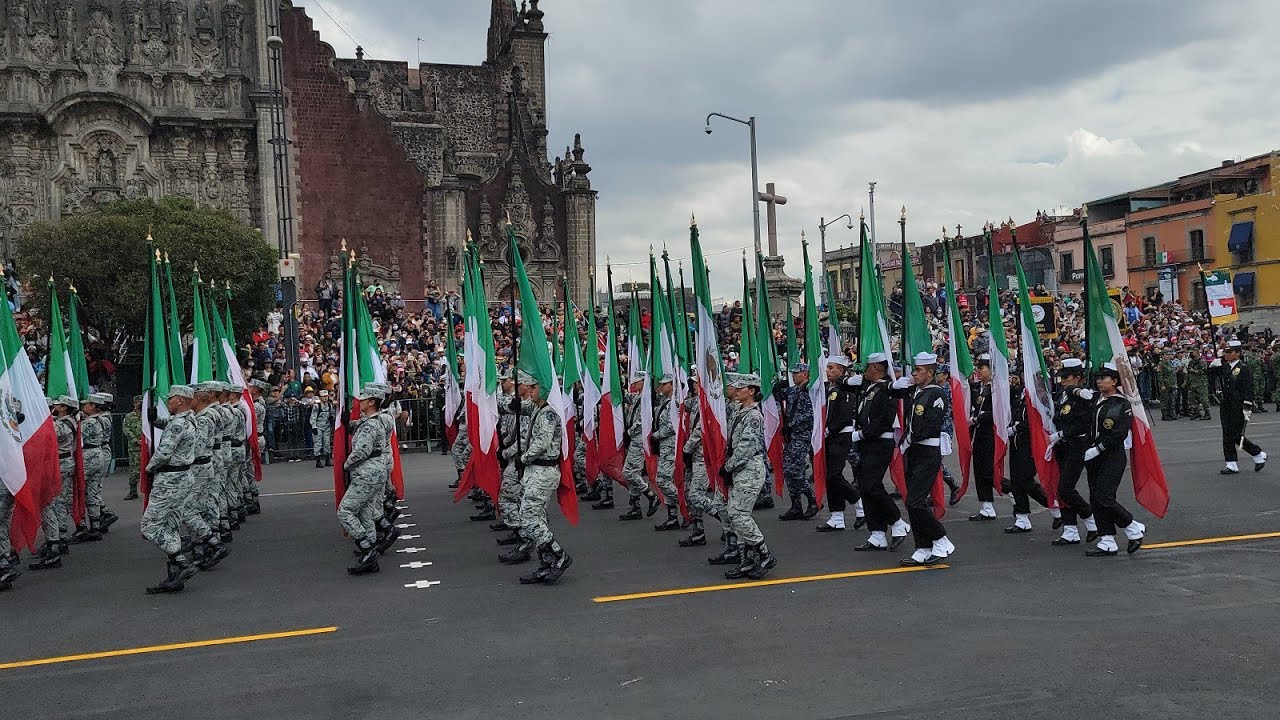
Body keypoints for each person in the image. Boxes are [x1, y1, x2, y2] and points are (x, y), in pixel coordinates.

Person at [514, 370, 574, 585]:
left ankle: (559, 555)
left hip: (543, 471)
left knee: (529, 519)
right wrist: (511, 402)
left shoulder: (548, 413)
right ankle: (546, 563)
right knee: (535, 518)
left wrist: (524, 458)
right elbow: (518, 407)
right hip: (536, 471)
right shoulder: (538, 408)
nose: (529, 391)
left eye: (534, 387)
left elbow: (542, 442)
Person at [141, 385, 202, 594]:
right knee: (171, 524)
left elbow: (164, 452)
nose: (168, 402)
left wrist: (149, 467)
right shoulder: (188, 418)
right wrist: (155, 419)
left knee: (149, 527)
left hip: (170, 480)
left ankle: (182, 563)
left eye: (171, 399)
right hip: (183, 477)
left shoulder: (178, 423)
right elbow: (170, 425)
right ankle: (175, 574)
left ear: (181, 400)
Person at [895, 353, 954, 566]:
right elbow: (895, 396)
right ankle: (923, 546)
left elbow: (931, 424)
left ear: (930, 372)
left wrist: (910, 438)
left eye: (918, 370)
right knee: (912, 502)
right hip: (914, 451)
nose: (914, 373)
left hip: (927, 451)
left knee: (916, 500)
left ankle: (941, 538)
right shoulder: (917, 392)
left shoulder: (936, 394)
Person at [847, 353, 910, 551]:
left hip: (880, 442)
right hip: (868, 443)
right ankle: (877, 533)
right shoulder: (872, 387)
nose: (865, 370)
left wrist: (862, 434)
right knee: (865, 487)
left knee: (871, 485)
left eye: (867, 366)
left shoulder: (888, 389)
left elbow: (884, 420)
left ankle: (897, 522)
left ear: (875, 368)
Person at [717, 373, 777, 579]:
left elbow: (746, 448)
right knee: (735, 515)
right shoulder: (739, 410)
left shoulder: (753, 416)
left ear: (751, 391)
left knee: (738, 514)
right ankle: (747, 561)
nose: (736, 390)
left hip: (749, 470)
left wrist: (728, 467)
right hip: (739, 470)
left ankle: (765, 554)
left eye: (740, 388)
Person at [1084, 362, 1146, 556]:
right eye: (1098, 378)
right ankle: (1107, 539)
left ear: (1114, 381)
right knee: (1095, 499)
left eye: (1104, 378)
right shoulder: (1096, 399)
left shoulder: (1121, 403)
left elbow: (1119, 433)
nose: (1099, 381)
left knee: (1105, 497)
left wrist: (1099, 448)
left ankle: (1132, 527)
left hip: (1111, 455)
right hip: (1092, 455)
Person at [338, 385, 390, 575]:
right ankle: (370, 552)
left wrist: (346, 464)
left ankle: (367, 549)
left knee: (345, 511)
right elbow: (357, 426)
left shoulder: (370, 424)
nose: (359, 402)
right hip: (375, 471)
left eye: (364, 399)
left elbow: (362, 451)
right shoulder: (371, 421)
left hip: (367, 472)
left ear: (372, 402)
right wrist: (346, 422)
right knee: (366, 512)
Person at [1048, 358, 1098, 546]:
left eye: (1067, 377)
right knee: (1060, 487)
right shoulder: (1062, 395)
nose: (1063, 381)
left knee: (1066, 488)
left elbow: (1083, 423)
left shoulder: (1084, 396)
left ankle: (1090, 517)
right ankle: (1070, 529)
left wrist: (1061, 433)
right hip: (1061, 446)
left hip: (1077, 445)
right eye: (1061, 377)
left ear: (1078, 377)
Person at [29, 396, 78, 571]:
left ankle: (55, 544)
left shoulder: (59, 425)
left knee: (51, 504)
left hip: (58, 464)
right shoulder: (61, 422)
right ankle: (58, 539)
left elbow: (41, 439)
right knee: (56, 502)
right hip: (60, 463)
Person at [815, 356, 864, 531]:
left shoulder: (846, 388)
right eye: (827, 368)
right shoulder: (829, 387)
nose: (827, 371)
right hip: (829, 435)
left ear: (842, 370)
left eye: (831, 368)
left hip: (841, 435)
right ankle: (837, 516)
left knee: (834, 475)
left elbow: (844, 416)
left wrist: (830, 429)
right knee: (830, 476)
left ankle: (859, 502)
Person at [1003, 369, 1053, 534]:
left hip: (1030, 444)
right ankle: (1022, 518)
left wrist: (1016, 428)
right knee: (1016, 481)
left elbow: (1037, 420)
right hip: (1016, 443)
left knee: (1025, 479)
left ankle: (1053, 505)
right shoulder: (1021, 394)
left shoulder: (1041, 398)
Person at [497, 370, 537, 563]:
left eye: (519, 383)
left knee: (509, 498)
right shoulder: (521, 405)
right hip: (518, 458)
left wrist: (505, 453)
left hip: (522, 460)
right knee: (518, 500)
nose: (515, 386)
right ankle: (521, 536)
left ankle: (524, 540)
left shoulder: (529, 408)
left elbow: (524, 440)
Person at [1214, 339, 1268, 474]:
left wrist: (1247, 405)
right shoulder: (1225, 366)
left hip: (1238, 404)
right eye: (1226, 352)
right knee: (1227, 434)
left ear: (1237, 353)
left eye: (1230, 352)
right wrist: (1212, 366)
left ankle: (1257, 453)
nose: (1227, 354)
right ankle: (1231, 463)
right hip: (1226, 404)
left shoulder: (1244, 368)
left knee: (1235, 434)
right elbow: (1212, 376)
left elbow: (1248, 388)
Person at [776, 363, 819, 521]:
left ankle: (813, 499)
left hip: (802, 435)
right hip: (791, 436)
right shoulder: (794, 390)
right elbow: (781, 395)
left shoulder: (809, 391)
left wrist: (791, 424)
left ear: (805, 374)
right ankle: (796, 505)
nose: (793, 376)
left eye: (796, 373)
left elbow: (810, 415)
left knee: (794, 470)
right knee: (788, 470)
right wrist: (775, 389)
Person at [73, 393, 115, 542]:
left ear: (92, 406)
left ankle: (82, 525)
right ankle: (95, 526)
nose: (83, 407)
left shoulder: (90, 422)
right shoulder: (100, 419)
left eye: (85, 404)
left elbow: (78, 440)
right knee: (93, 492)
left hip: (88, 456)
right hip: (98, 454)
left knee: (78, 490)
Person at [619, 373, 660, 521]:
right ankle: (635, 507)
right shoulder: (637, 396)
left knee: (629, 473)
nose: (635, 384)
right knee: (632, 473)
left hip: (639, 439)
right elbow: (625, 397)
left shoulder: (647, 399)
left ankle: (651, 495)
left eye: (638, 382)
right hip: (633, 440)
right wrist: (618, 383)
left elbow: (644, 420)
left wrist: (629, 432)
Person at [651, 374, 682, 531]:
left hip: (671, 446)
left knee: (662, 480)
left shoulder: (675, 403)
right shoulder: (664, 401)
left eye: (664, 384)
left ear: (672, 385)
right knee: (664, 480)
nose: (661, 387)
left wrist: (655, 435)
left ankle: (686, 504)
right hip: (663, 447)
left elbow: (673, 425)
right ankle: (672, 517)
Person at [969, 354, 998, 521]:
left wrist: (977, 419)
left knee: (989, 471)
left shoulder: (996, 388)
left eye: (982, 368)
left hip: (991, 434)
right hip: (979, 434)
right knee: (979, 470)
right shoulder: (978, 387)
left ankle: (1010, 490)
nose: (978, 371)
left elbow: (997, 412)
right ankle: (987, 507)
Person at [123, 395, 143, 500]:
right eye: (139, 402)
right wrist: (135, 440)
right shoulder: (129, 416)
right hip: (134, 447)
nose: (140, 404)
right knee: (134, 470)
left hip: (147, 447)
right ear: (135, 403)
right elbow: (126, 429)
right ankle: (133, 491)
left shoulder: (148, 415)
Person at [312, 389, 334, 468]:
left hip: (326, 426)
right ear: (320, 397)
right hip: (318, 426)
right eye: (323, 396)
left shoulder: (329, 405)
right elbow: (313, 417)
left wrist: (332, 419)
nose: (325, 398)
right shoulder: (317, 406)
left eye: (326, 396)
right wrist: (314, 427)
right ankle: (318, 461)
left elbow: (331, 414)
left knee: (327, 443)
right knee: (318, 443)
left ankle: (327, 459)